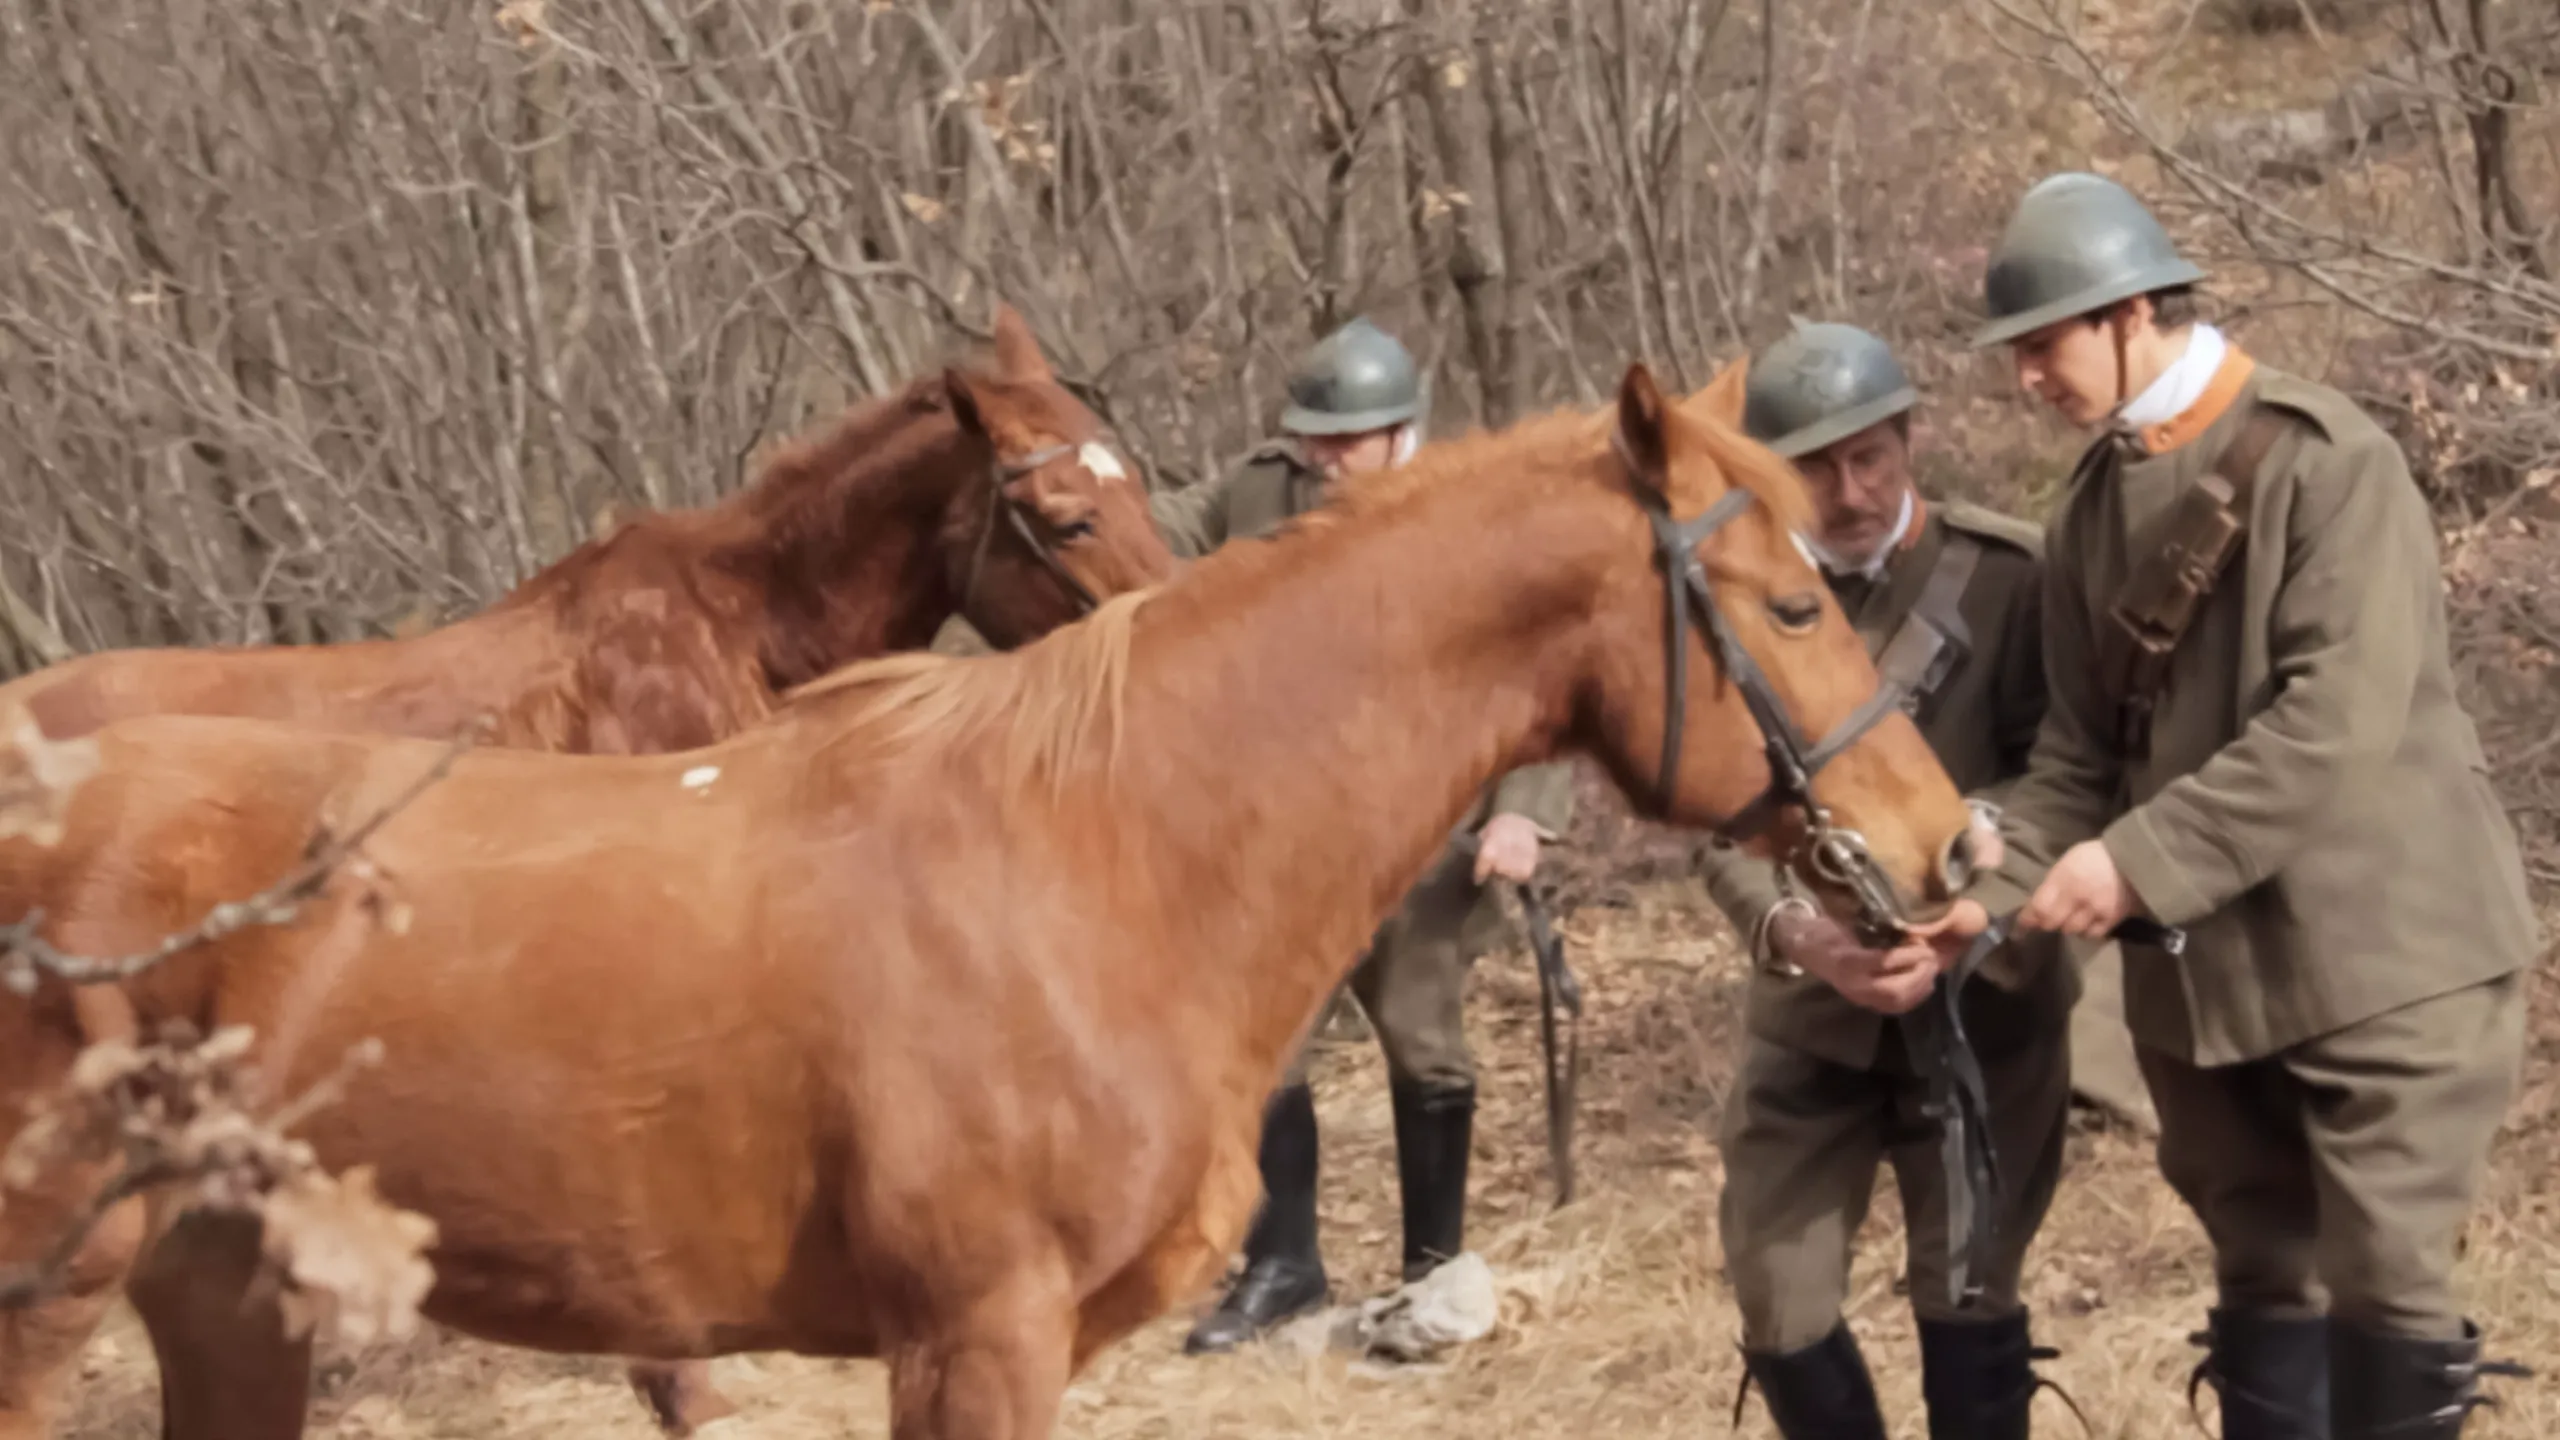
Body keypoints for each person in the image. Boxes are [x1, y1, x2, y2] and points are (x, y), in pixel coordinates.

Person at [1950, 171, 2536, 1439]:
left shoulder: (2328, 462)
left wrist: (2130, 866)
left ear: (2131, 312)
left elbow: (2333, 724)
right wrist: (1980, 891)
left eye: (2041, 346)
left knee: (2385, 1285)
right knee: (2263, 1279)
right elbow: (2072, 753)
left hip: (2387, 960)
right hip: (2210, 987)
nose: (2025, 380)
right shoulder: (2091, 510)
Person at [1151, 316, 1576, 1353]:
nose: (1322, 458)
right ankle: (1282, 1266)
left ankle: (1431, 1267)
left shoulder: (1477, 516)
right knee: (1267, 1047)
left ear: (1402, 432)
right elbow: (1148, 529)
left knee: (1421, 1036)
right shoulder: (1260, 491)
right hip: (1288, 825)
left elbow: (1544, 676)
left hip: (1429, 818)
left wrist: (1522, 812)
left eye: (1344, 440)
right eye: (1310, 439)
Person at [1699, 317, 2073, 1439]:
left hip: (1982, 1007)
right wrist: (1798, 935)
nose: (1851, 490)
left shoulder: (2007, 578)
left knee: (1965, 1290)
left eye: (1872, 455)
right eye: (1815, 466)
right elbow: (1718, 821)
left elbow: (2067, 769)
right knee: (1778, 1299)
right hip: (1813, 1010)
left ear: (1909, 440)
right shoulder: (1732, 605)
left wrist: (1979, 900)